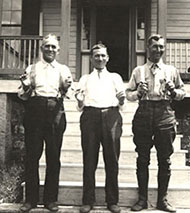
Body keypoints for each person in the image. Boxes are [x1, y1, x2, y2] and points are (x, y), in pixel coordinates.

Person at [126, 34, 185, 212]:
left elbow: (183, 92)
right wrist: (137, 92)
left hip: (164, 112)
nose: (158, 50)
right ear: (148, 48)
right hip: (144, 111)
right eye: (155, 47)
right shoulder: (138, 71)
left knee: (164, 159)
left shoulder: (171, 71)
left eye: (161, 47)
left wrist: (173, 91)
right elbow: (127, 94)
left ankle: (162, 200)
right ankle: (142, 199)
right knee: (142, 158)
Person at [18, 34, 73, 212]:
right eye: (47, 46)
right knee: (32, 156)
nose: (50, 49)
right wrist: (26, 86)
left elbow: (69, 93)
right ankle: (31, 200)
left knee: (53, 157)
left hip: (55, 110)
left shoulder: (63, 70)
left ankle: (51, 200)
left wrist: (66, 87)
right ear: (41, 48)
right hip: (35, 109)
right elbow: (22, 95)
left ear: (58, 50)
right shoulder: (32, 68)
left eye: (53, 47)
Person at [74, 43, 125, 213]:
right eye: (96, 56)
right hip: (90, 117)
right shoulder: (84, 79)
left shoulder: (115, 78)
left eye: (103, 56)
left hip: (111, 116)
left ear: (107, 58)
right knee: (89, 160)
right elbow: (80, 106)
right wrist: (80, 100)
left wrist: (122, 99)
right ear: (91, 59)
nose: (100, 59)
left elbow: (122, 103)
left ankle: (112, 201)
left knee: (112, 160)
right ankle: (88, 200)